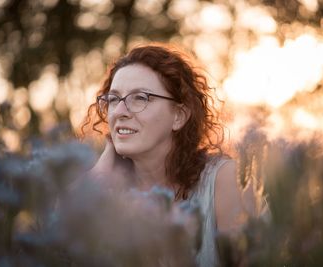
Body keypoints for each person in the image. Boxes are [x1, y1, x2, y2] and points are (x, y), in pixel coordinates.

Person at [81, 43, 251, 266]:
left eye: (140, 98)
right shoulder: (107, 189)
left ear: (179, 116)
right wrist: (101, 171)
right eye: (113, 99)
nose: (120, 112)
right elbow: (57, 242)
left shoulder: (222, 180)